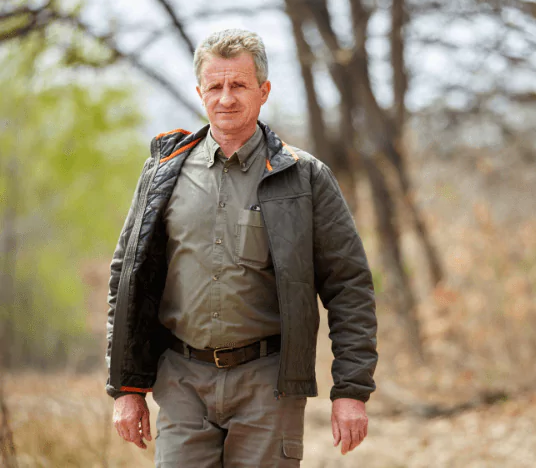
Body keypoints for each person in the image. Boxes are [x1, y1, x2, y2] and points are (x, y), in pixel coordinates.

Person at [106, 28, 377, 467]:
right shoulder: (163, 174)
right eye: (215, 86)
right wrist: (126, 387)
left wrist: (351, 390)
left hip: (268, 384)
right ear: (200, 92)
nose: (226, 98)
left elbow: (349, 285)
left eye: (239, 85)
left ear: (263, 91)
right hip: (180, 380)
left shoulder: (305, 177)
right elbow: (127, 278)